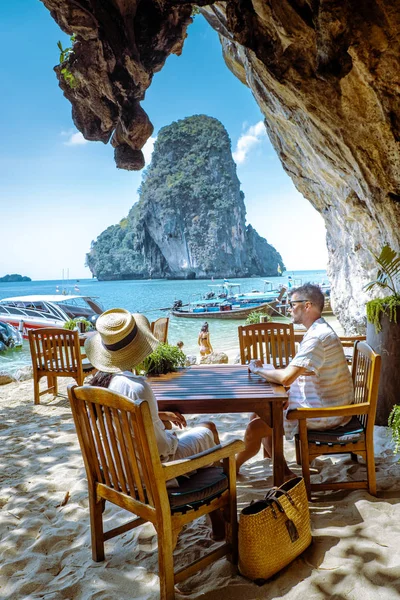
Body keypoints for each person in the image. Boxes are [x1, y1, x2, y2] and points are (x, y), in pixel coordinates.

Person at [84, 308, 224, 537]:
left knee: (196, 435)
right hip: (147, 477)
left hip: (115, 474)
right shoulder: (137, 388)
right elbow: (162, 449)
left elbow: (122, 427)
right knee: (209, 430)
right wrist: (168, 431)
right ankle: (219, 519)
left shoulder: (96, 385)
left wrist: (157, 418)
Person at [236, 283, 354, 477]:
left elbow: (287, 378)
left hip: (330, 411)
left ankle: (231, 469)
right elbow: (298, 375)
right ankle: (280, 467)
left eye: (291, 304)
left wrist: (257, 369)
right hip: (327, 402)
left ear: (307, 306)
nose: (288, 308)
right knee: (259, 413)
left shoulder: (317, 337)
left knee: (255, 427)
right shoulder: (317, 330)